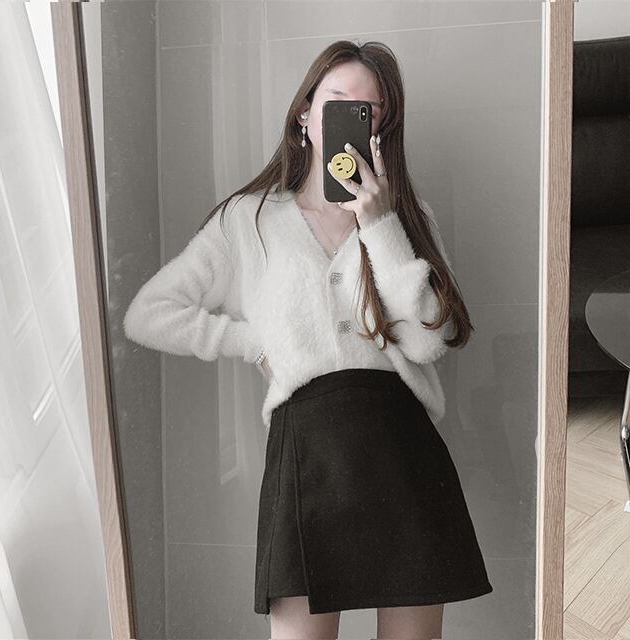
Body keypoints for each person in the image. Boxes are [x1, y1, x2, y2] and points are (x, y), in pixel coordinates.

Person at [124, 39, 492, 640]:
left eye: (367, 110)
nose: (352, 119)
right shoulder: (248, 220)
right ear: (305, 113)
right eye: (337, 102)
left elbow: (430, 341)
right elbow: (149, 313)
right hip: (307, 455)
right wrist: (254, 344)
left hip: (402, 450)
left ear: (382, 128)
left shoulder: (407, 216)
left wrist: (379, 225)